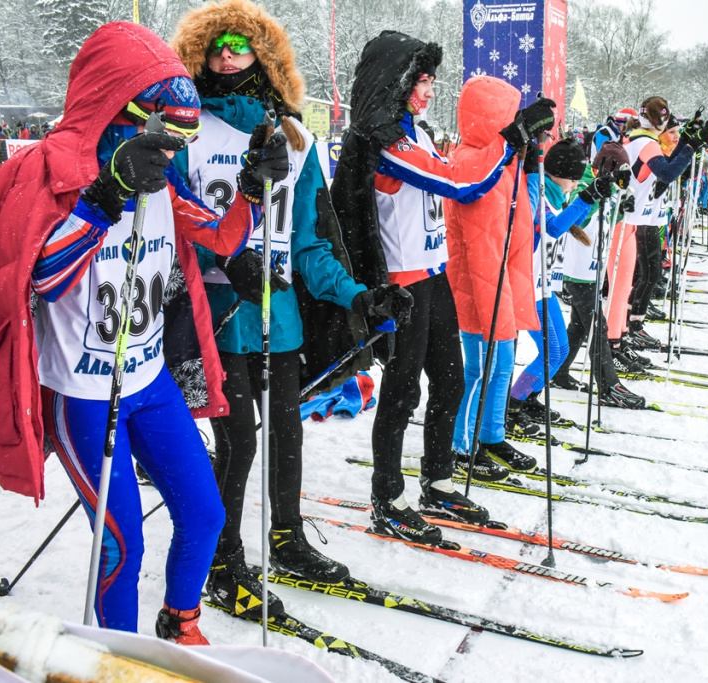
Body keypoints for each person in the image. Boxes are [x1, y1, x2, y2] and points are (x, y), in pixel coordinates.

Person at [0, 22, 261, 645]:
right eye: (165, 130)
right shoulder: (42, 172)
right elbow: (35, 280)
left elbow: (218, 236)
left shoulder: (163, 177)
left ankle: (181, 622)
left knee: (205, 514)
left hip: (149, 381)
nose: (175, 147)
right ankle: (117, 659)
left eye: (184, 133)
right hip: (85, 395)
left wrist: (252, 191)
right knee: (121, 545)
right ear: (120, 111)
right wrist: (102, 196)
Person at [170, 2, 410, 610]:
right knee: (238, 443)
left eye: (241, 42)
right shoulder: (185, 130)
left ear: (264, 55)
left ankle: (286, 539)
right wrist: (221, 262)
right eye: (217, 41)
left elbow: (307, 245)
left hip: (280, 319)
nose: (227, 50)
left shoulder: (296, 139)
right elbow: (170, 230)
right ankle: (221, 561)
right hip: (219, 316)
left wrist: (361, 294)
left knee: (285, 436)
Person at [330, 30, 517, 546]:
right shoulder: (383, 139)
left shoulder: (419, 133)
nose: (430, 90)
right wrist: (508, 142)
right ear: (398, 81)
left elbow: (454, 175)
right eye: (422, 80)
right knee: (401, 393)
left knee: (451, 382)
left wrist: (507, 145)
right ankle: (387, 498)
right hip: (402, 286)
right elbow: (461, 186)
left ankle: (436, 482)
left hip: (434, 277)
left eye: (433, 80)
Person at [444, 76, 555, 479]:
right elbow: (483, 246)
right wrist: (496, 309)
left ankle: (490, 434)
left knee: (503, 364)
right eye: (508, 116)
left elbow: (522, 221)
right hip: (478, 288)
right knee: (479, 370)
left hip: (500, 283)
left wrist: (529, 155)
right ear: (489, 118)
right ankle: (458, 446)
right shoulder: (471, 162)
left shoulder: (499, 160)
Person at [508, 138, 603, 426]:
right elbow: (551, 228)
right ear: (559, 173)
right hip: (528, 286)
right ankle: (512, 404)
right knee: (552, 352)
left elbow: (567, 224)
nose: (574, 185)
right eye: (573, 179)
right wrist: (588, 197)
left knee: (559, 351)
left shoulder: (553, 195)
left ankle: (526, 397)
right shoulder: (536, 191)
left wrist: (593, 195)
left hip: (543, 287)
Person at [552, 141, 645, 409]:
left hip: (592, 269)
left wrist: (621, 208)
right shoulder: (582, 187)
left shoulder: (607, 189)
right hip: (577, 271)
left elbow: (605, 223)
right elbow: (576, 221)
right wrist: (597, 197)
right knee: (597, 327)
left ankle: (559, 370)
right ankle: (608, 386)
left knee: (580, 327)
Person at [617, 98, 701, 352]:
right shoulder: (645, 142)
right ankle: (627, 328)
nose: (673, 137)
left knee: (647, 274)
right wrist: (690, 147)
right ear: (662, 123)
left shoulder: (645, 141)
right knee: (645, 275)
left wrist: (689, 144)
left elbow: (669, 171)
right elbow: (667, 172)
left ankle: (629, 326)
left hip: (643, 217)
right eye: (671, 131)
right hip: (634, 219)